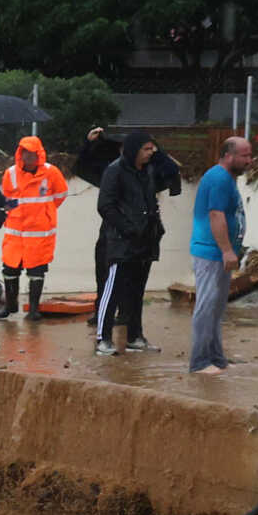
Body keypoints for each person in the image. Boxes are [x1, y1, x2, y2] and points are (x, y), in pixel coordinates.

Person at [94, 130, 165, 355]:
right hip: (121, 243)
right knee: (112, 290)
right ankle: (102, 339)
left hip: (145, 242)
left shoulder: (148, 171)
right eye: (146, 148)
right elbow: (105, 205)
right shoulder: (114, 171)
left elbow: (156, 192)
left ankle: (135, 337)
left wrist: (154, 229)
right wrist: (127, 228)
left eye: (152, 148)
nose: (151, 153)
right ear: (134, 149)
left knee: (137, 292)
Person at [190, 136, 253, 373]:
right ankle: (199, 362)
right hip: (211, 252)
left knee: (216, 308)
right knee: (207, 306)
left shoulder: (227, 179)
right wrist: (227, 250)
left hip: (219, 252)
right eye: (245, 156)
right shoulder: (218, 179)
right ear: (229, 156)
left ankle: (216, 358)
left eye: (250, 155)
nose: (250, 160)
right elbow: (215, 215)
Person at [0, 134, 69, 322]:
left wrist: (45, 211)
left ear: (40, 154)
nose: (28, 157)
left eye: (32, 153)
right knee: (9, 269)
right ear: (20, 153)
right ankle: (10, 306)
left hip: (39, 234)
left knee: (36, 272)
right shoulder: (10, 173)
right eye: (25, 153)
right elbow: (6, 200)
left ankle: (34, 310)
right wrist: (16, 211)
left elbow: (61, 194)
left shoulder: (51, 173)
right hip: (15, 233)